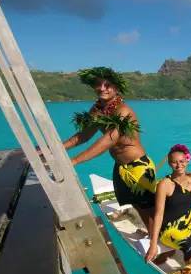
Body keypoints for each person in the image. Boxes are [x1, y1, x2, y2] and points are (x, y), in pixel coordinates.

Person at [62, 66, 157, 230]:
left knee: (148, 208)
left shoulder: (123, 111)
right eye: (98, 84)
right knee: (135, 204)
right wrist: (57, 149)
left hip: (138, 167)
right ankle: (150, 232)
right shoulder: (97, 110)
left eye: (107, 85)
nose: (102, 88)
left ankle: (157, 239)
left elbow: (109, 139)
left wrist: (75, 160)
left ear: (116, 88)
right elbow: (84, 135)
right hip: (120, 167)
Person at [145, 144, 191, 263]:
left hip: (190, 222)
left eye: (181, 161)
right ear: (169, 163)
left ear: (187, 161)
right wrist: (153, 244)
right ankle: (189, 273)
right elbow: (158, 214)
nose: (179, 165)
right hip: (170, 228)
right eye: (174, 162)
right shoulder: (164, 185)